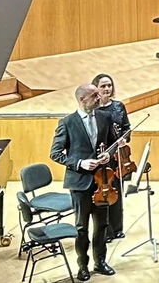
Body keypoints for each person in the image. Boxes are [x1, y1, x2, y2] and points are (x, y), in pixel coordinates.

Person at [48, 84, 117, 281]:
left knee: (102, 224)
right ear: (82, 100)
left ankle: (100, 261)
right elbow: (55, 153)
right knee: (82, 227)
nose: (99, 98)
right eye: (94, 95)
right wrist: (80, 163)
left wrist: (107, 155)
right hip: (80, 183)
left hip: (103, 180)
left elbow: (112, 143)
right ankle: (83, 265)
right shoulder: (67, 122)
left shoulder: (104, 117)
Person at [91, 74, 130, 239]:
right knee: (101, 195)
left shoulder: (119, 106)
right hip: (99, 156)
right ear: (96, 89)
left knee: (116, 192)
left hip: (116, 157)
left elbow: (127, 128)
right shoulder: (93, 110)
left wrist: (124, 139)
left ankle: (117, 227)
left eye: (109, 85)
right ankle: (104, 231)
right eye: (103, 86)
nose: (107, 89)